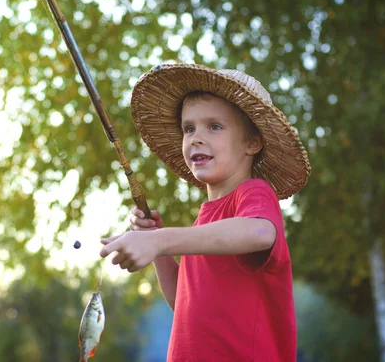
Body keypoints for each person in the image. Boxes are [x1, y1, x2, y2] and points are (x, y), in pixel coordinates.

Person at [100, 63, 311, 361]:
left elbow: (260, 232)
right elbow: (182, 302)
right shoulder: (203, 224)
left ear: (252, 143)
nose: (196, 137)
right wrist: (156, 243)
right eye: (189, 128)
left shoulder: (254, 194)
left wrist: (161, 241)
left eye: (214, 126)